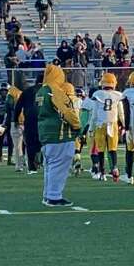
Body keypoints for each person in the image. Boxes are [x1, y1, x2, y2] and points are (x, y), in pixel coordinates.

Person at [37, 63, 83, 205]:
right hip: (60, 135)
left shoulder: (41, 91)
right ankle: (54, 196)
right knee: (59, 167)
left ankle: (48, 195)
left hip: (46, 135)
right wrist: (77, 126)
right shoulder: (54, 90)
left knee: (50, 167)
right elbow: (67, 111)